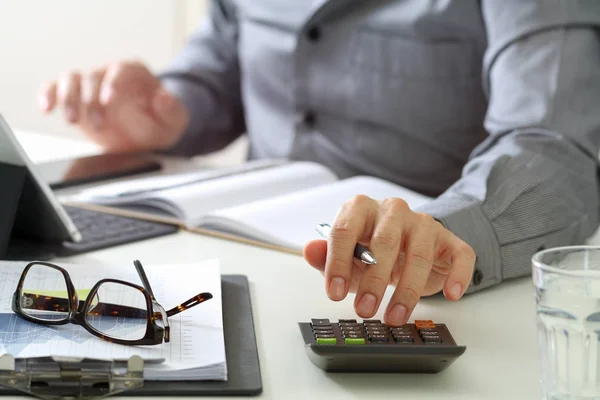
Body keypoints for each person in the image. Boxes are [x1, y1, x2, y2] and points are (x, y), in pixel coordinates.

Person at [38, 1, 600, 326]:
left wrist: (444, 232)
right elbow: (225, 66)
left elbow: (555, 141)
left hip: (421, 301)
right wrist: (167, 112)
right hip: (236, 267)